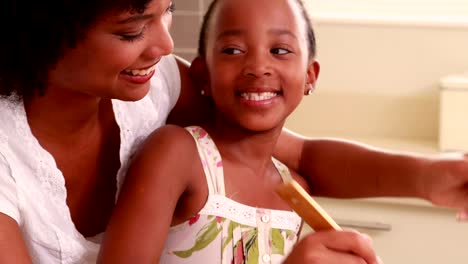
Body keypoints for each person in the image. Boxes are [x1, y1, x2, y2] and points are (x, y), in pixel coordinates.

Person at [0, 0, 466, 263]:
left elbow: (294, 156)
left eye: (168, 11)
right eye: (131, 31)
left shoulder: (156, 85)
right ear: (39, 34)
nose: (165, 46)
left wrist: (427, 177)